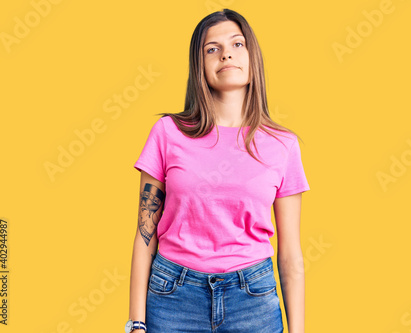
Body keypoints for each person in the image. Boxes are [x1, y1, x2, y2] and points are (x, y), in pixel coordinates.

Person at [126, 8, 310, 333]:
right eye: (212, 48)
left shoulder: (283, 145)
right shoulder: (168, 133)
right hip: (172, 297)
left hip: (253, 298)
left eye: (237, 44)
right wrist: (136, 322)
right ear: (200, 67)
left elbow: (291, 253)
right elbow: (144, 235)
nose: (226, 53)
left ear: (253, 59)